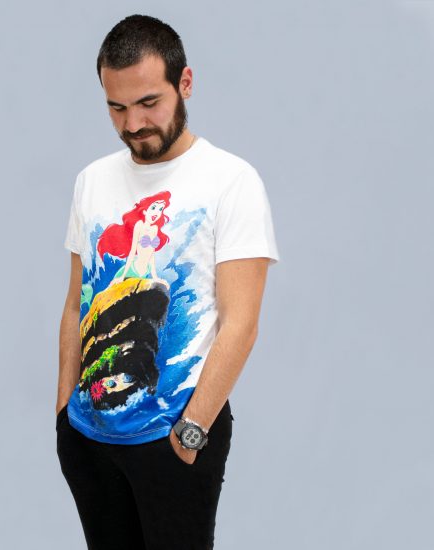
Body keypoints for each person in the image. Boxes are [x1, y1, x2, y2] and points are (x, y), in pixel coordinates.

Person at [55, 14, 281, 550]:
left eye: (148, 103)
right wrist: (64, 415)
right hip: (89, 437)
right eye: (117, 107)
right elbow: (75, 304)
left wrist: (192, 430)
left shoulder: (231, 181)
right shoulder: (91, 180)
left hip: (175, 436)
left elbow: (241, 324)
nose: (133, 123)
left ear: (185, 83)